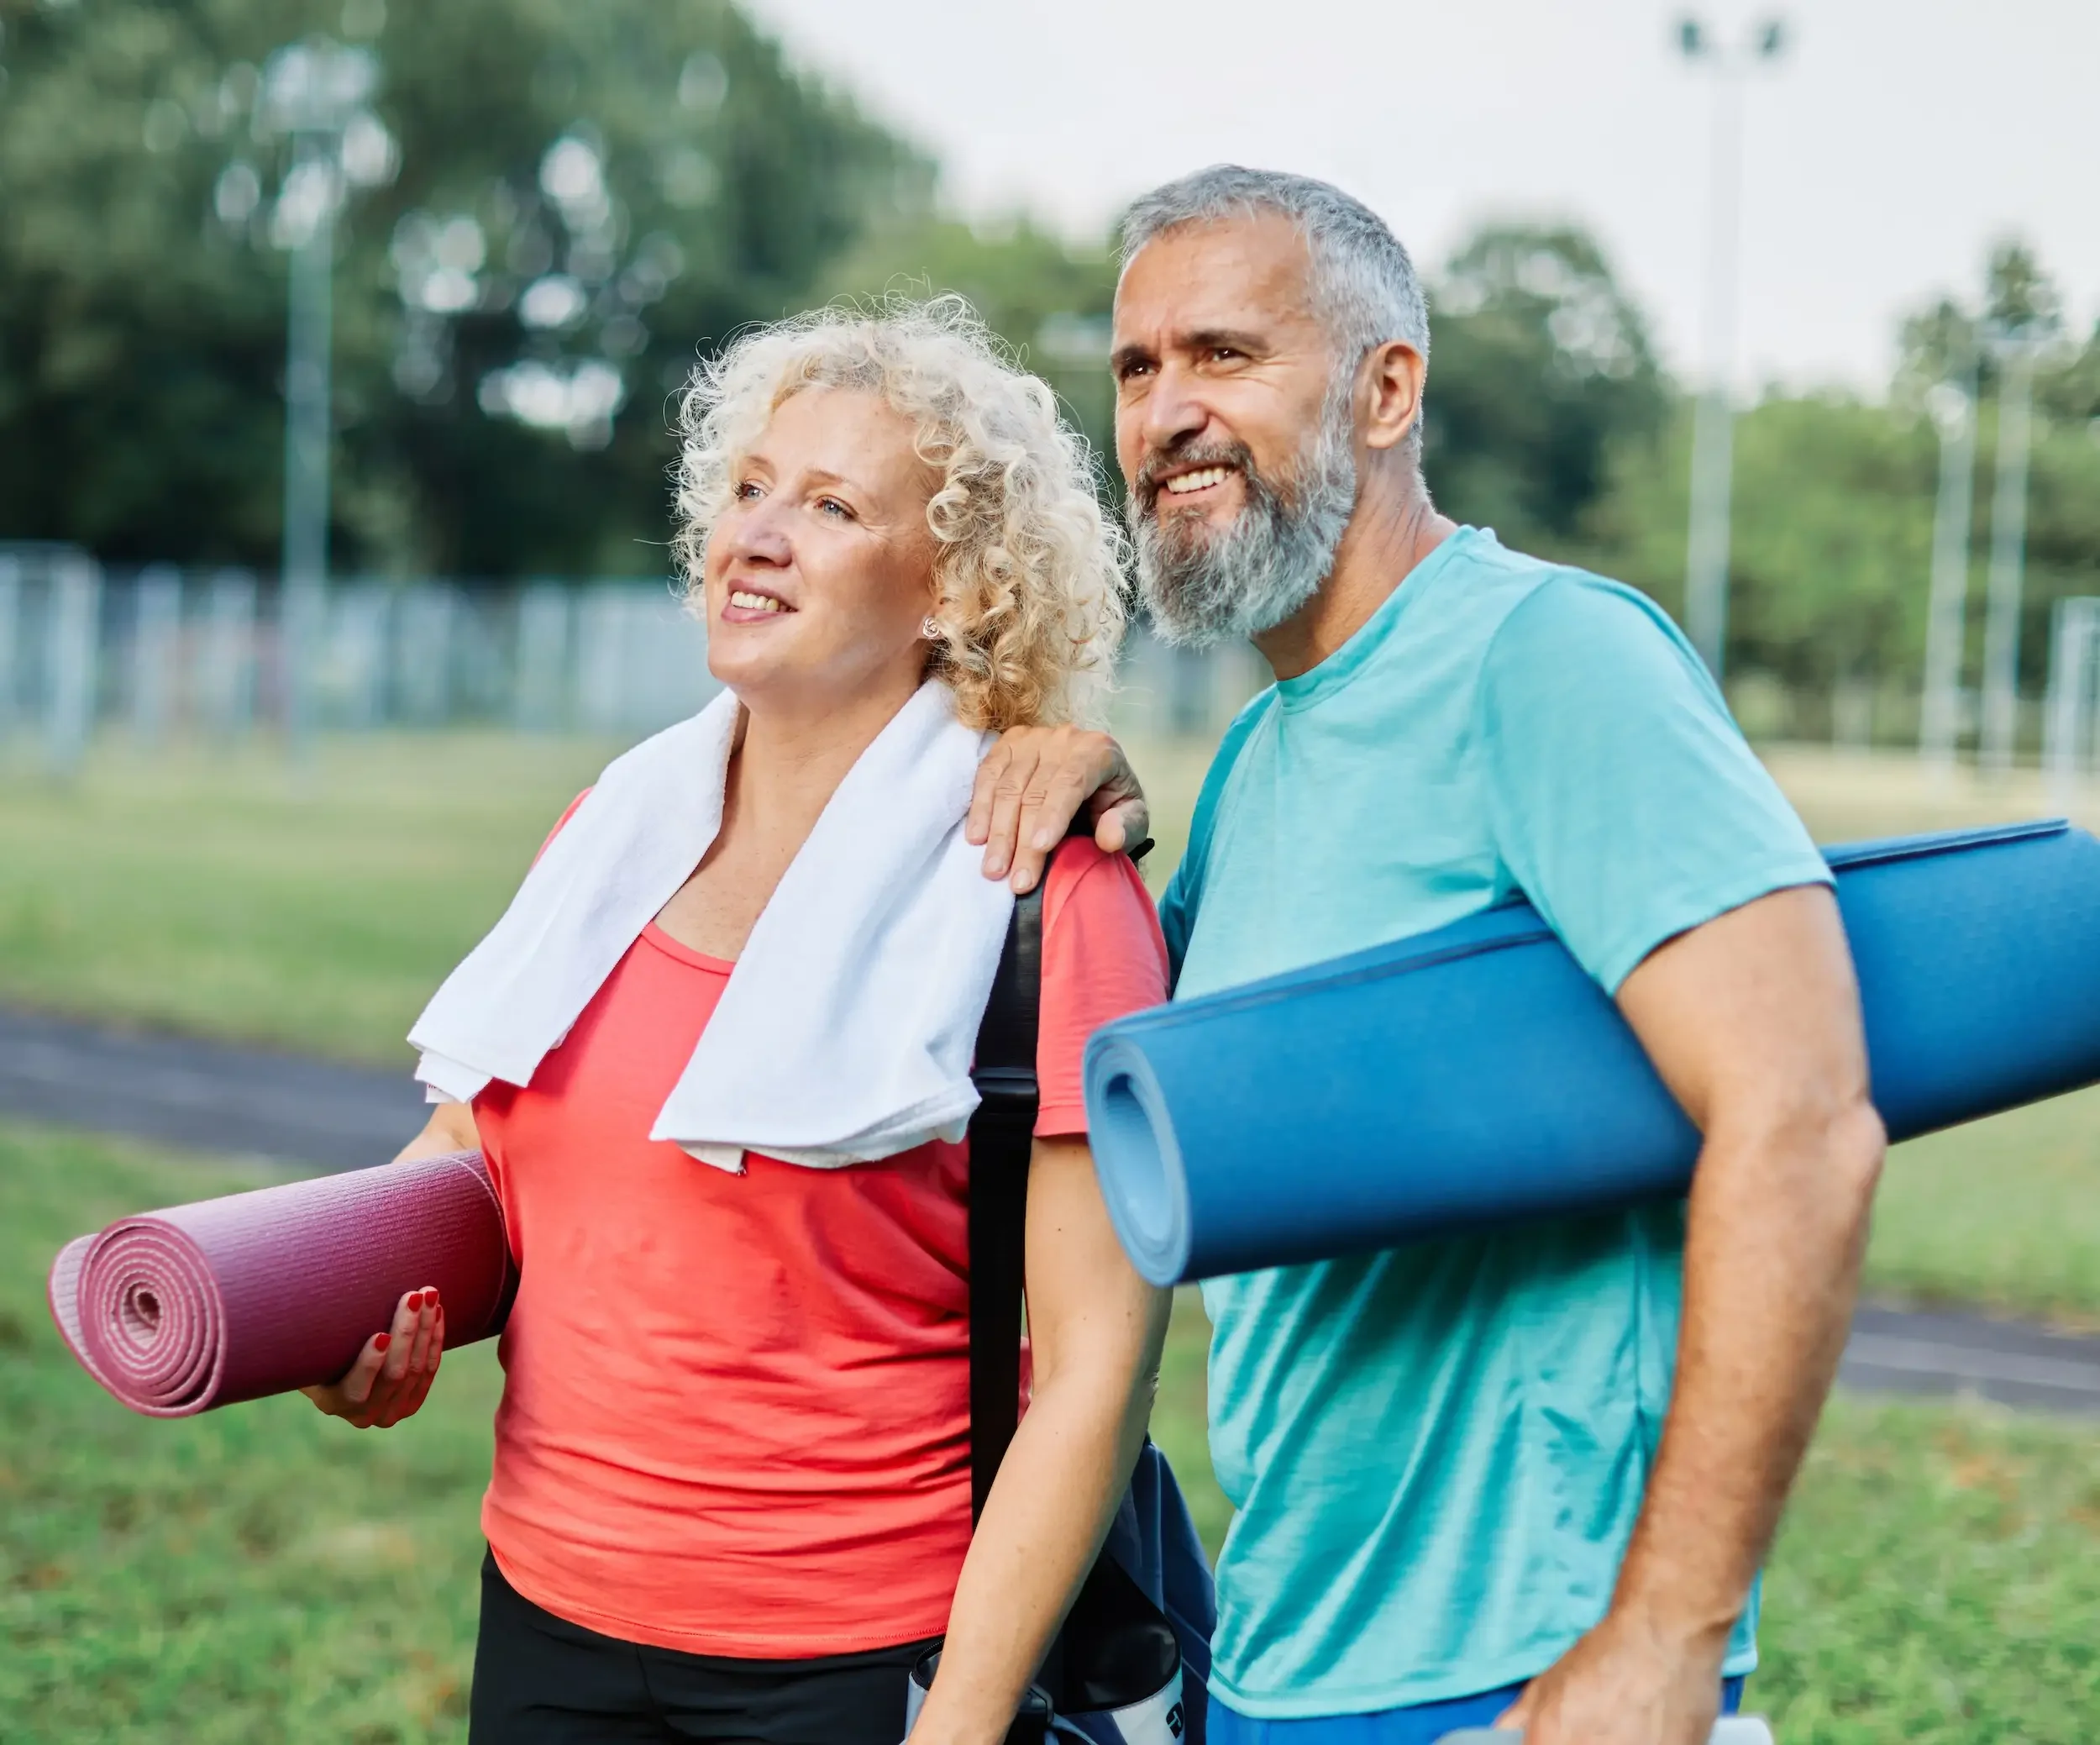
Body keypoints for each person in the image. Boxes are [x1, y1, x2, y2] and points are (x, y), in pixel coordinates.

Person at [978, 166, 1887, 1745]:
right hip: (1279, 1663)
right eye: (1137, 370)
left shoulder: (1548, 657)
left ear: (1387, 388)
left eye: (1225, 355)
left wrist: (1664, 1642)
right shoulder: (1259, 766)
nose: (1167, 412)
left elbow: (1804, 1120)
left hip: (1523, 1684)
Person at [303, 297, 1174, 1745]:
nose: (757, 534)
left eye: (831, 506)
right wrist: (368, 1308)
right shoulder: (611, 832)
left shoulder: (1046, 896)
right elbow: (485, 1136)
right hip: (549, 1618)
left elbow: (1097, 1373)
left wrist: (957, 1729)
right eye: (751, 488)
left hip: (858, 1665)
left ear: (952, 586)